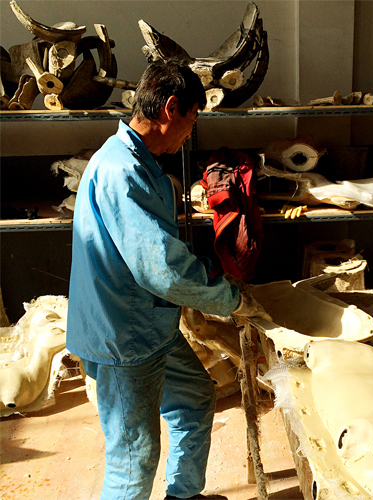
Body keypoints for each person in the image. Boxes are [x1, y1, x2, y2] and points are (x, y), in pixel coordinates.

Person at [66, 59, 268, 500]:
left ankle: (184, 496)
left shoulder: (142, 162)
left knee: (195, 396)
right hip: (124, 335)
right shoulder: (123, 170)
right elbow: (160, 267)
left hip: (147, 323)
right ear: (170, 108)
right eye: (192, 120)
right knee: (133, 458)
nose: (189, 134)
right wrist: (229, 299)